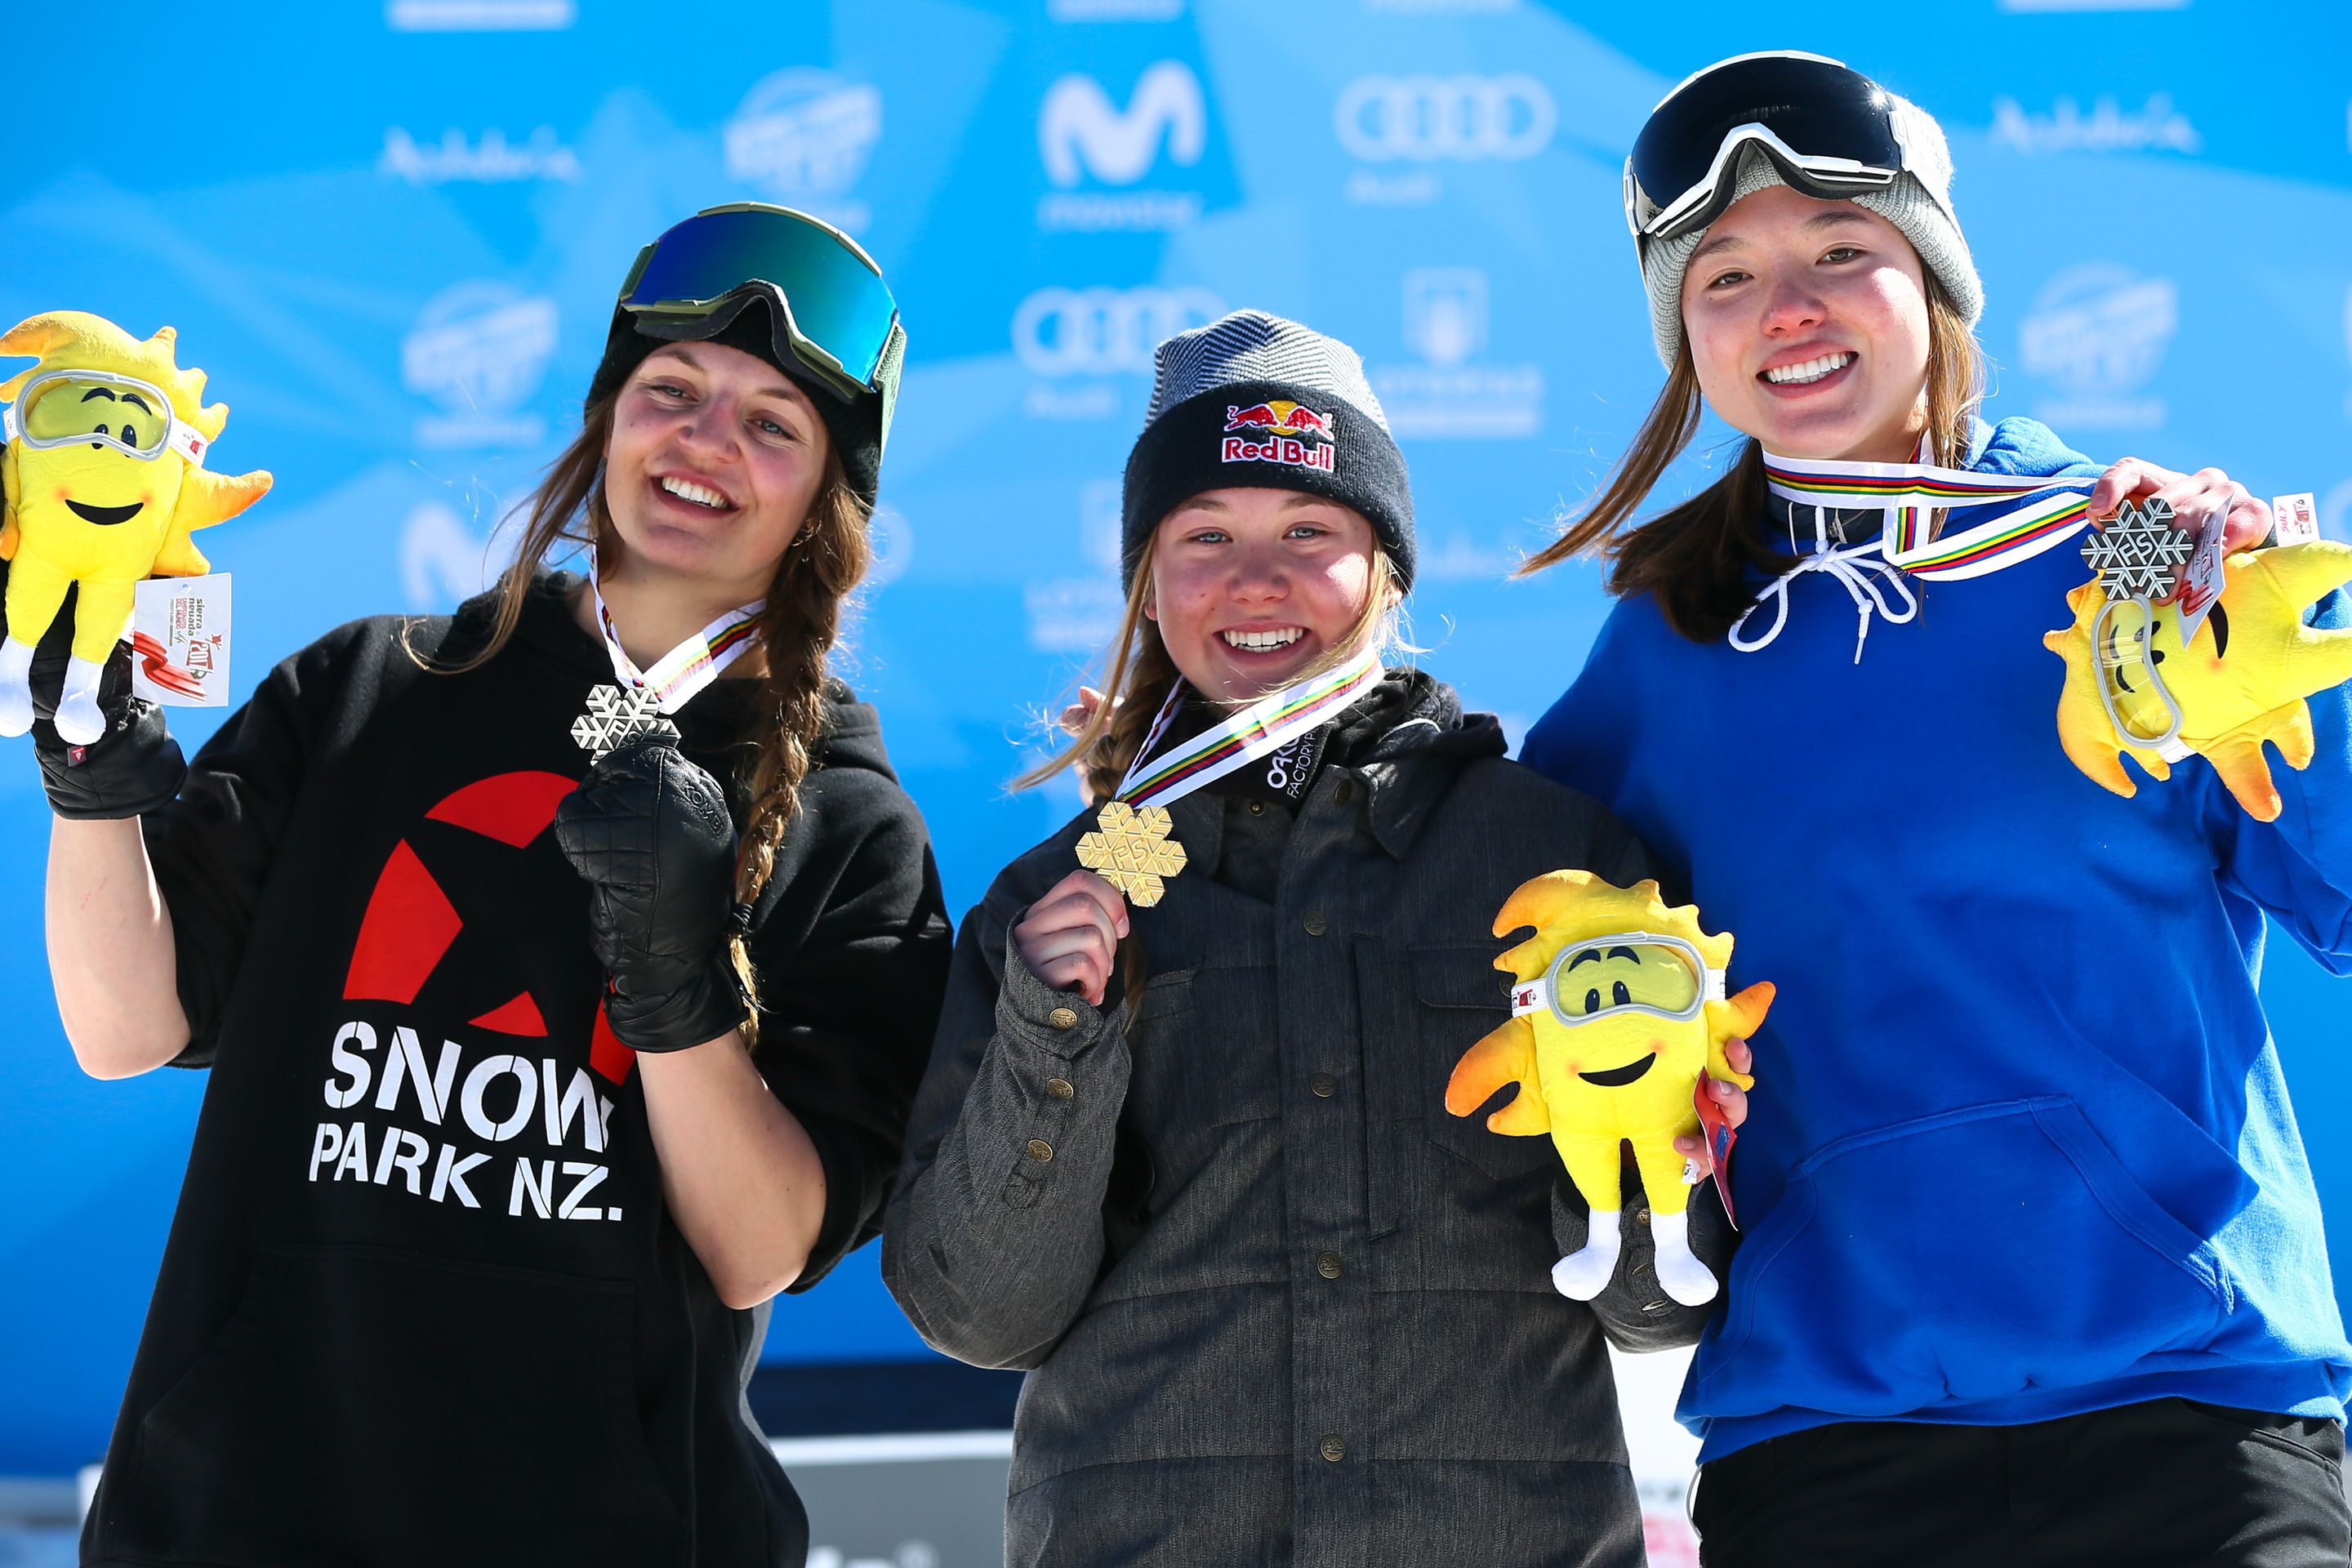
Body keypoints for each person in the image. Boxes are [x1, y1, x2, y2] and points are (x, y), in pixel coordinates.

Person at [1518, 51, 2352, 1567]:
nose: (1791, 308)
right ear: (1682, 335)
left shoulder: (2141, 562)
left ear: (1938, 281)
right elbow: (1520, 968)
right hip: (1832, 1439)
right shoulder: (1668, 648)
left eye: (1844, 251)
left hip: (2191, 1406)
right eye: (1727, 276)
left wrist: (2301, 705)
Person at [36, 202, 953, 1568]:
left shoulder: (850, 822)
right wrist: (93, 789)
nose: (708, 444)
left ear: (828, 498)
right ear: (603, 424)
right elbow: (127, 1032)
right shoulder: (370, 692)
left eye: (775, 425)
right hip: (242, 1515)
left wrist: (675, 983)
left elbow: (760, 1248)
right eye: (673, 393)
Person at [883, 309, 1754, 1565]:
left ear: (1388, 568)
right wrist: (1051, 1031)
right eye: (1203, 538)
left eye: (1309, 531)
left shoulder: (1560, 870)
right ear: (1144, 575)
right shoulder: (1051, 904)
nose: (1255, 580)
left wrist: (1640, 1107)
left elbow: (1653, 1303)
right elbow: (978, 1313)